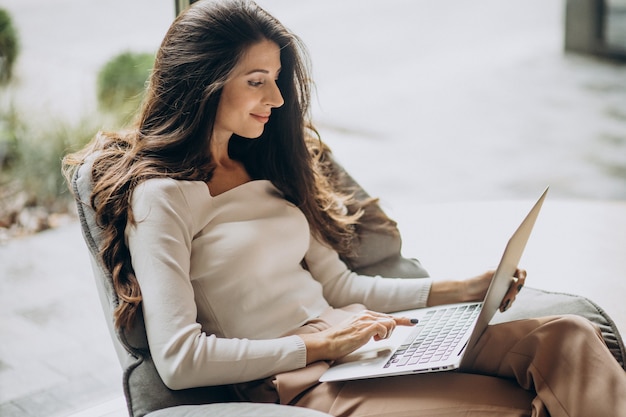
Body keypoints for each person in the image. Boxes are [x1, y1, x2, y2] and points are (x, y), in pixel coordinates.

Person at [63, 1, 626, 416]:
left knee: (568, 337)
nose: (277, 99)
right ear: (202, 84)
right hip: (304, 376)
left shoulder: (266, 171)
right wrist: (320, 345)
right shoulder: (160, 199)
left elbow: (343, 287)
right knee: (506, 407)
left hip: (363, 343)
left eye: (277, 80)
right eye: (257, 81)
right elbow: (180, 357)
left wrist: (467, 288)